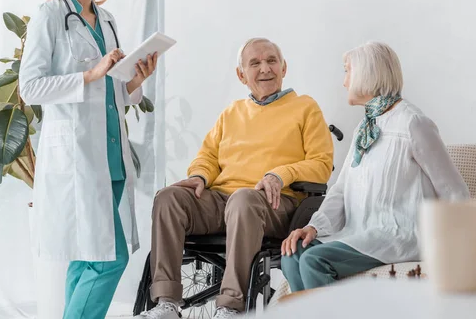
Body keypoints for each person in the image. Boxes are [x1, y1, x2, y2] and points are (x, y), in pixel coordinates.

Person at [19, 0, 157, 318]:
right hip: (77, 158)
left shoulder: (107, 20)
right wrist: (89, 76)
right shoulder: (50, 15)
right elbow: (30, 88)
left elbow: (113, 92)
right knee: (108, 258)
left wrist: (135, 81)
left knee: (86, 258)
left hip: (111, 157)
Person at [142, 38, 334, 319]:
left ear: (284, 68)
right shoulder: (231, 113)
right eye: (255, 63)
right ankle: (167, 304)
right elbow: (207, 156)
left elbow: (321, 164)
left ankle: (230, 307)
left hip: (273, 203)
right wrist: (199, 176)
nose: (265, 68)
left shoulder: (305, 108)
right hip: (223, 201)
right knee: (169, 197)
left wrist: (279, 174)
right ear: (241, 74)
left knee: (243, 199)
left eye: (271, 61)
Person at [280, 41, 470, 292]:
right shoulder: (365, 127)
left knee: (315, 260)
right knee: (292, 255)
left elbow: (453, 190)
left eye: (347, 71)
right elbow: (341, 188)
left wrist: (465, 248)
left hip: (400, 235)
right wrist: (313, 227)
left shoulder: (413, 123)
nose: (344, 82)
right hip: (361, 233)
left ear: (367, 74)